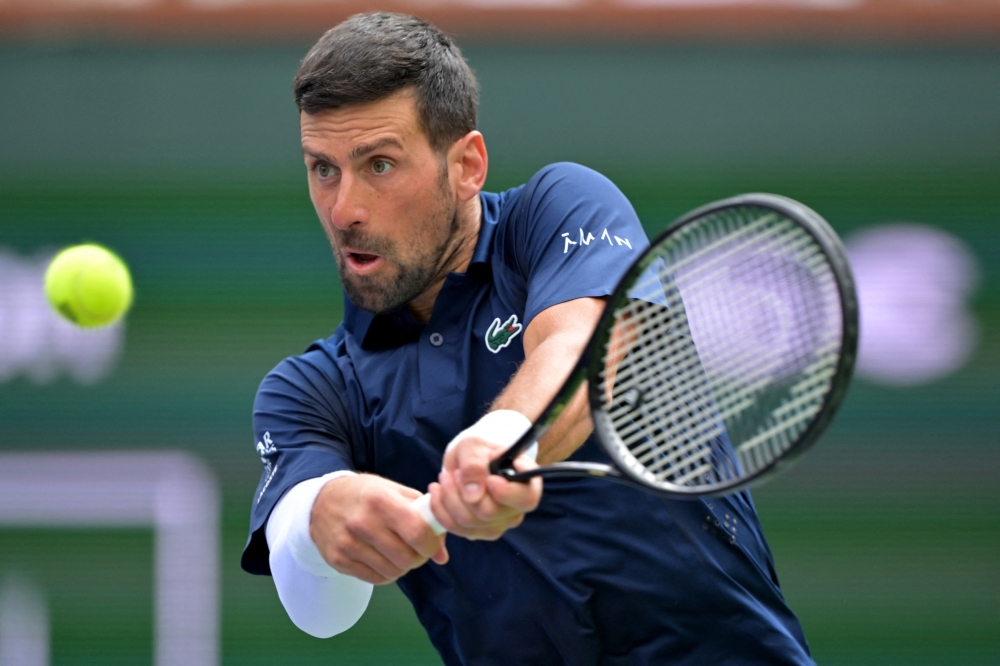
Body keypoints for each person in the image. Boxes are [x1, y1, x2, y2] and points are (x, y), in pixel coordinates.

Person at [241, 12, 815, 664]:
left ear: (466, 166)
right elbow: (321, 614)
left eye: (379, 164)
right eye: (323, 169)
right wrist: (323, 516)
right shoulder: (313, 390)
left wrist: (501, 438)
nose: (344, 209)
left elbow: (581, 350)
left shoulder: (558, 210)